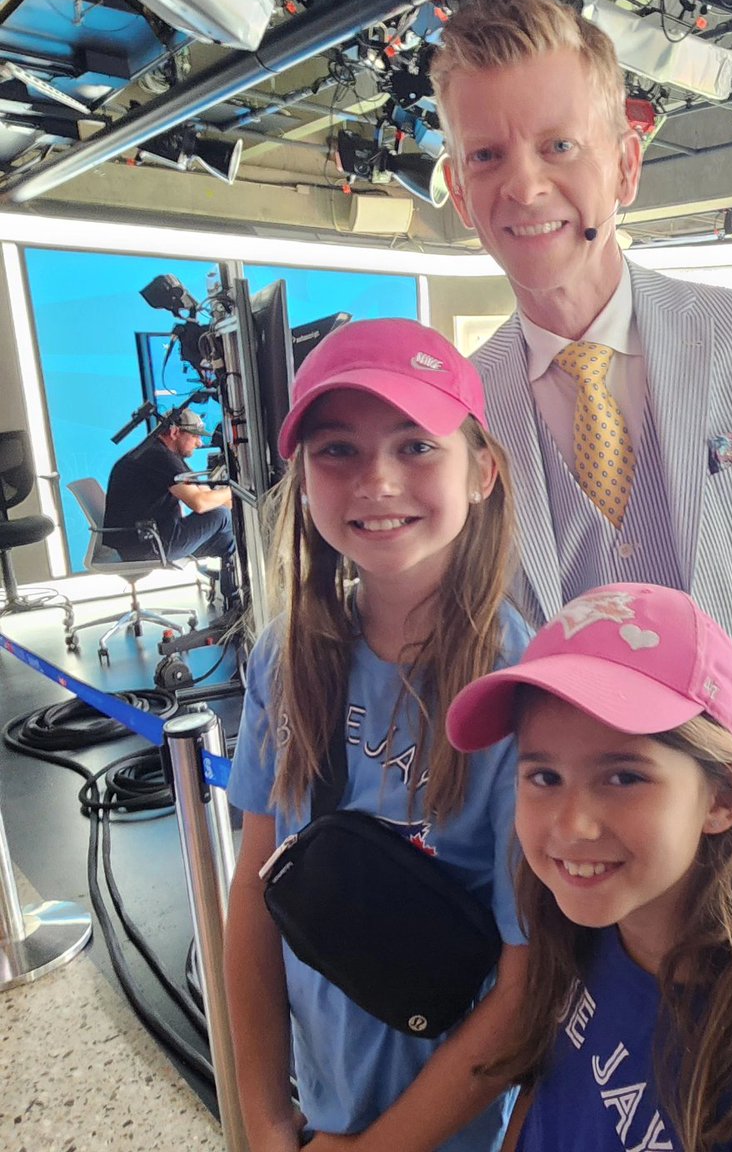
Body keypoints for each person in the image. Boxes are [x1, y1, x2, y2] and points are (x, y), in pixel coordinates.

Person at [430, 0, 732, 981]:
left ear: (623, 165)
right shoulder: (463, 413)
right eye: (488, 157)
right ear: (459, 194)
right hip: (591, 840)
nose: (525, 185)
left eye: (559, 145)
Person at [224, 319, 531, 1152]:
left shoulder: (519, 697)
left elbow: (525, 983)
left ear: (482, 472)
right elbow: (256, 885)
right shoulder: (283, 659)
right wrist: (265, 1119)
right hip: (321, 1112)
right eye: (338, 451)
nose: (377, 481)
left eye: (416, 446)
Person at [446, 582, 732, 1152]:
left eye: (624, 777)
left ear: (722, 798)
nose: (573, 825)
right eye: (544, 776)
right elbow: (544, 1094)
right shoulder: (581, 927)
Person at [103, 406, 238, 605]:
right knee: (222, 517)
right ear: (175, 432)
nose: (199, 443)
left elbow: (201, 494)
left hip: (146, 539)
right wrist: (236, 490)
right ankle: (233, 597)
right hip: (146, 545)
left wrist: (225, 499)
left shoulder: (161, 453)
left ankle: (233, 598)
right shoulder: (158, 457)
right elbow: (199, 504)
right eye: (195, 436)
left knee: (227, 538)